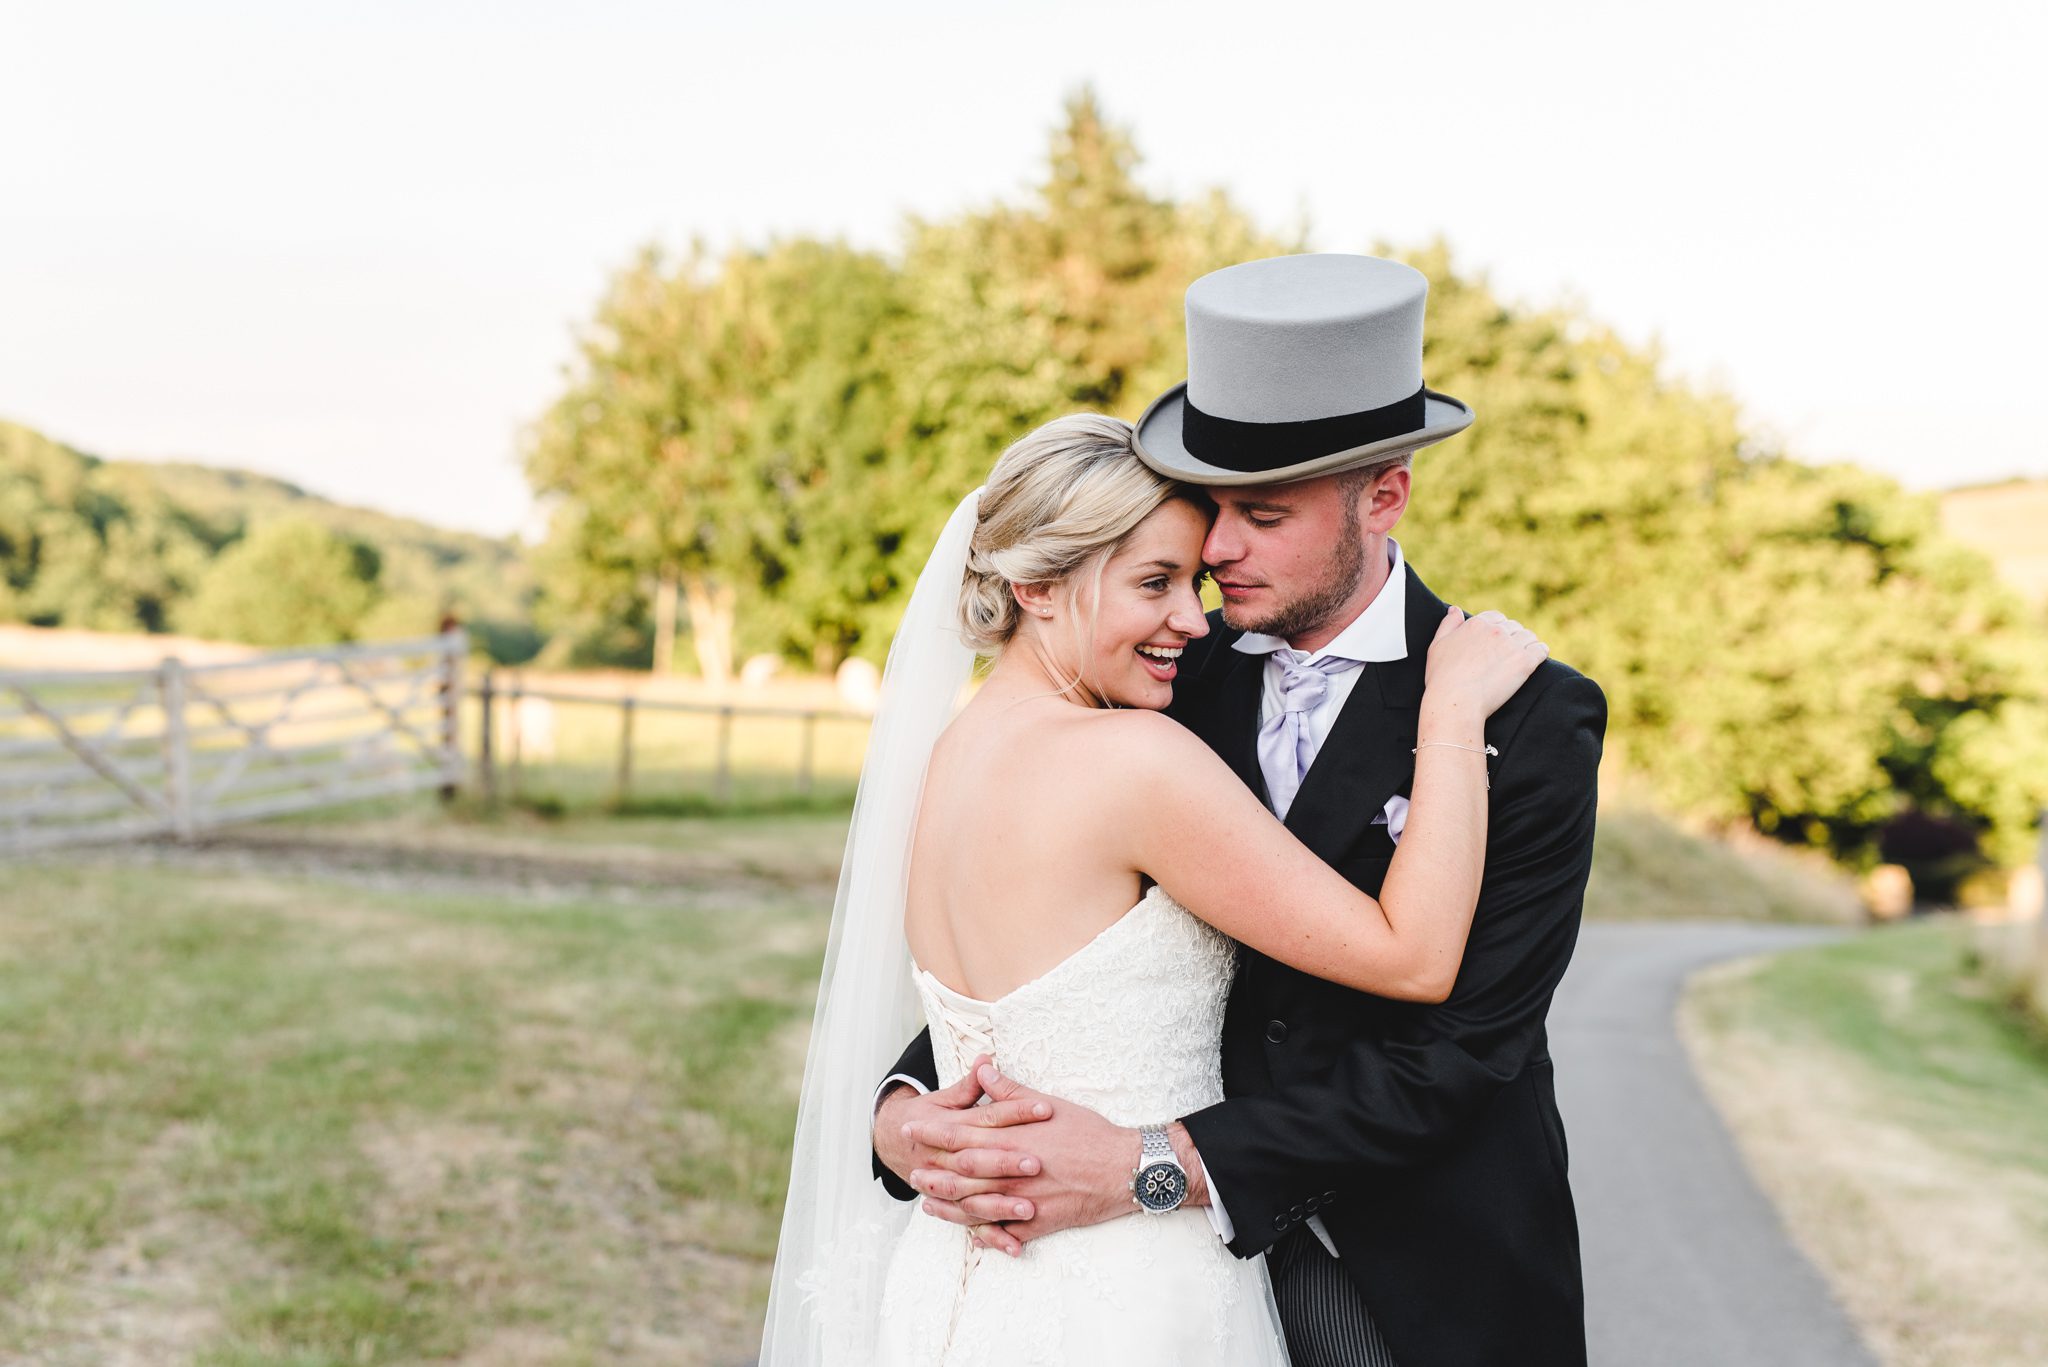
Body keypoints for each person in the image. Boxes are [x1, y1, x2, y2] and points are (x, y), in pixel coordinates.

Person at [868, 254, 1608, 1367]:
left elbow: (1460, 1050)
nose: (1213, 555)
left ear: (1384, 492)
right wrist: (903, 1106)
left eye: (1260, 516)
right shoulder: (1160, 676)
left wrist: (1150, 1164)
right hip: (1144, 1280)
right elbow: (1061, 959)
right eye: (1207, 513)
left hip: (1415, 1287)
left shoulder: (1525, 715)